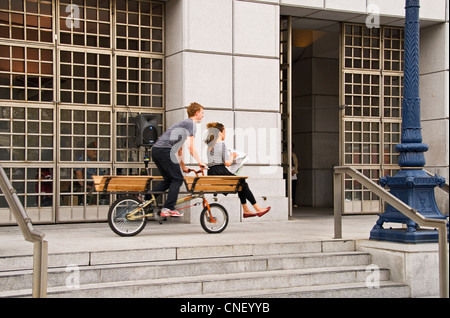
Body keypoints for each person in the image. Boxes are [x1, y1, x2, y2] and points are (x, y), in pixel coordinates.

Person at [205, 122, 270, 218]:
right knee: (242, 182)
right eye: (224, 131)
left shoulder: (210, 146)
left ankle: (247, 210)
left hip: (212, 173)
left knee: (241, 184)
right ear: (219, 133)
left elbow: (216, 160)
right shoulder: (221, 144)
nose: (225, 134)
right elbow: (227, 163)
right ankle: (256, 209)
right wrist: (233, 155)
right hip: (220, 172)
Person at [151, 102, 206, 217]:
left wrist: (183, 167)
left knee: (168, 179)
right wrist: (199, 161)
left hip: (157, 150)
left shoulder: (183, 124)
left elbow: (180, 150)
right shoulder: (191, 124)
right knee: (177, 179)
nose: (203, 115)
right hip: (164, 150)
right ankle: (168, 208)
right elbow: (190, 147)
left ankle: (146, 199)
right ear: (196, 113)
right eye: (202, 113)